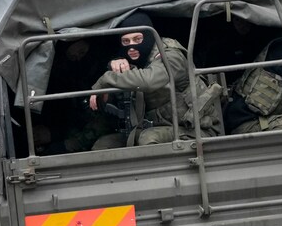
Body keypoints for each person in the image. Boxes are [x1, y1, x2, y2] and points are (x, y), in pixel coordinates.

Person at [89, 12, 222, 146]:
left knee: (148, 138)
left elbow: (148, 80)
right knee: (103, 144)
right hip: (154, 127)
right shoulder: (131, 60)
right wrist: (106, 90)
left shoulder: (172, 55)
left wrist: (106, 78)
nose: (131, 46)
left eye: (137, 39)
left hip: (195, 129)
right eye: (126, 41)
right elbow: (112, 101)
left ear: (149, 37)